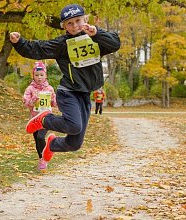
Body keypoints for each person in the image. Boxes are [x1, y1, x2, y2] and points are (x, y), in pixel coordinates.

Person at [9, 4, 120, 164]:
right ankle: (44, 120)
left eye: (78, 20)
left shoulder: (95, 38)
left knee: (74, 144)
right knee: (74, 126)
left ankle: (51, 145)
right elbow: (38, 49)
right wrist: (19, 43)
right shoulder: (62, 44)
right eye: (70, 23)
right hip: (68, 92)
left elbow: (115, 43)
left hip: (84, 95)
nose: (75, 25)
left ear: (85, 19)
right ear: (64, 26)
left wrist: (97, 33)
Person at [23, 61, 57, 170]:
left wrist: (53, 99)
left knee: (41, 137)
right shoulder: (30, 89)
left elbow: (54, 103)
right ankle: (41, 159)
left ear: (46, 76)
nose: (39, 77)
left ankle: (44, 159)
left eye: (41, 75)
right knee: (37, 140)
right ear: (33, 76)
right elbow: (26, 102)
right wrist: (33, 99)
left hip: (46, 118)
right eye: (37, 75)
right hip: (34, 119)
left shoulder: (50, 88)